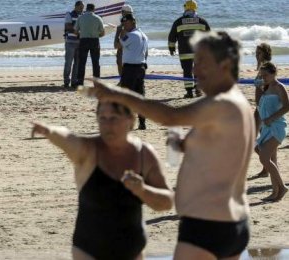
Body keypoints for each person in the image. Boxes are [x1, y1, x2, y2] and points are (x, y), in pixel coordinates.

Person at [88, 31, 253, 259]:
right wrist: (185, 145)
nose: (195, 70)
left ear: (224, 65)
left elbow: (169, 116)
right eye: (194, 62)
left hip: (207, 224)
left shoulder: (222, 103)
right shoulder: (237, 103)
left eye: (202, 63)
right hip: (232, 223)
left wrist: (118, 94)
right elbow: (224, 152)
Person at [31, 101, 173, 260]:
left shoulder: (144, 154)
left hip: (132, 253)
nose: (107, 124)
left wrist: (142, 191)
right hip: (89, 252)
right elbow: (67, 137)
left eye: (114, 118)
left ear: (131, 120)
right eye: (102, 118)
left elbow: (166, 202)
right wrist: (49, 130)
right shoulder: (88, 150)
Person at [254, 62, 289, 201]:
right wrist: (257, 87)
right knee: (269, 158)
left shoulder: (279, 87)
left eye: (266, 75)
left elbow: (287, 107)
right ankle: (275, 192)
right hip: (267, 128)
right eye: (262, 75)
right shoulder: (266, 87)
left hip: (277, 127)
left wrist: (272, 117)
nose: (264, 78)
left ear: (274, 73)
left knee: (264, 157)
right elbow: (258, 103)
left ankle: (282, 187)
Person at [168, 0, 210, 98]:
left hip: (184, 52)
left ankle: (189, 92)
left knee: (187, 71)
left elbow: (172, 36)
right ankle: (198, 90)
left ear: (185, 8)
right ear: (195, 9)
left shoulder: (178, 22)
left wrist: (171, 48)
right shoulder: (202, 22)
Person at [119, 13, 149, 130]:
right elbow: (146, 52)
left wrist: (119, 34)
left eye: (125, 23)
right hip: (140, 67)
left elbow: (117, 45)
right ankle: (142, 122)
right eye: (123, 23)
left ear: (132, 22)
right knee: (140, 96)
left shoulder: (131, 35)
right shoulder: (143, 35)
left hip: (130, 68)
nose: (124, 26)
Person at [252, 43, 274, 178]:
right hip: (259, 107)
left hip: (264, 108)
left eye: (259, 53)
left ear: (265, 54)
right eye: (255, 53)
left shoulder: (266, 69)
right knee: (260, 140)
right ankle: (267, 167)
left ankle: (269, 166)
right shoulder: (261, 68)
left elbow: (269, 87)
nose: (256, 55)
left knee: (253, 140)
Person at [74, 3, 105, 86]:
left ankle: (80, 81)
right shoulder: (98, 18)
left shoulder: (80, 18)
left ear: (86, 9)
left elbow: (75, 31)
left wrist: (82, 34)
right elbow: (102, 33)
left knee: (82, 62)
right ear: (94, 9)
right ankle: (96, 82)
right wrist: (96, 35)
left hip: (84, 40)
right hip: (94, 40)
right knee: (95, 62)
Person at [63, 0, 84, 89]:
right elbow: (67, 26)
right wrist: (78, 32)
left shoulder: (83, 15)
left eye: (82, 8)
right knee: (68, 63)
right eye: (80, 7)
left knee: (77, 64)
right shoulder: (69, 15)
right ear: (75, 6)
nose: (81, 9)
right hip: (70, 42)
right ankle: (66, 81)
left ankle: (74, 82)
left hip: (80, 42)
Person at [114, 4, 134, 76]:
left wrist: (117, 32)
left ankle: (121, 80)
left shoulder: (125, 24)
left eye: (122, 12)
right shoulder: (133, 23)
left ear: (125, 13)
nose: (121, 14)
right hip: (131, 48)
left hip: (124, 48)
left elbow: (117, 45)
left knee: (120, 62)